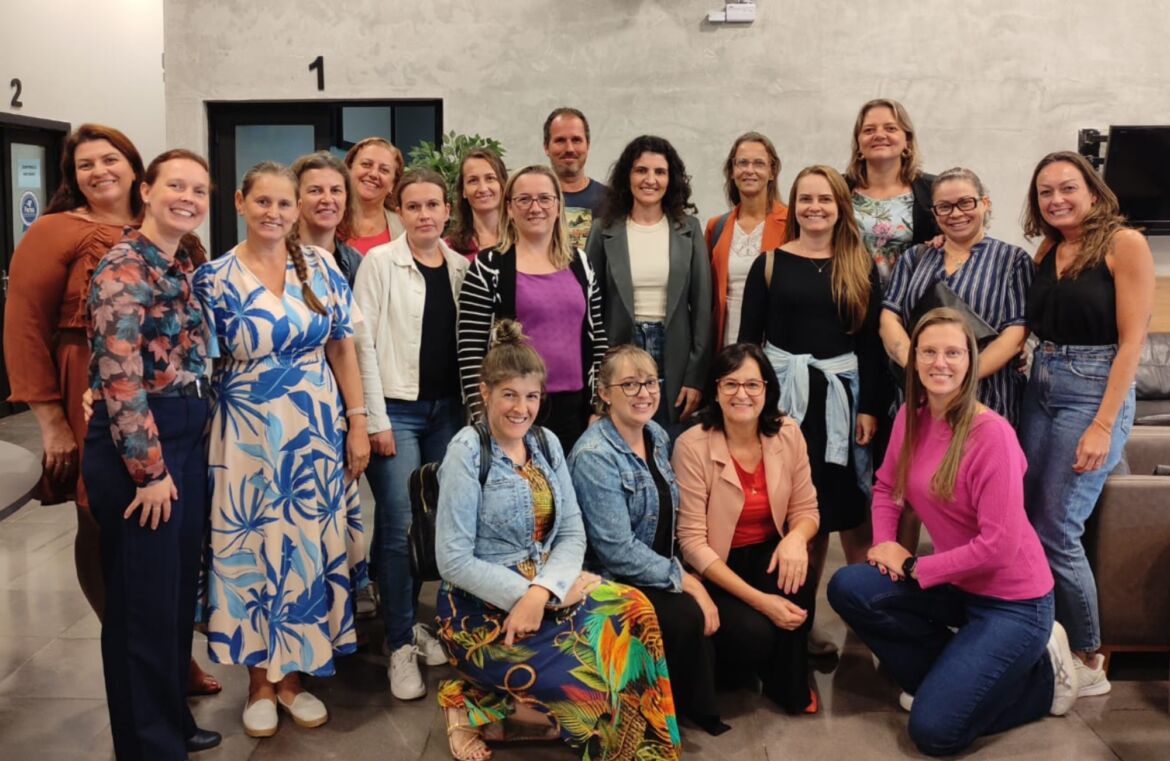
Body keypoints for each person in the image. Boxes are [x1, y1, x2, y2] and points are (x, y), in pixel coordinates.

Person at [4, 124, 222, 697]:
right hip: (98, 384)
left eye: (110, 159)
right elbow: (24, 326)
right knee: (108, 524)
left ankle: (167, 663)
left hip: (166, 394)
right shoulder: (59, 233)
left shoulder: (176, 237)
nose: (99, 171)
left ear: (135, 171)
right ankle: (139, 658)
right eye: (85, 164)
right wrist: (52, 420)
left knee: (166, 544)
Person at [828, 308, 1079, 756]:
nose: (939, 362)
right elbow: (886, 487)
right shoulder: (912, 416)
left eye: (953, 353)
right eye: (928, 352)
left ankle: (1043, 679)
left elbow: (999, 548)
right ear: (914, 359)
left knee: (934, 731)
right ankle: (954, 677)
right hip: (958, 586)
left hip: (1014, 604)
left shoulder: (993, 436)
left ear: (970, 361)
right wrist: (884, 544)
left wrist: (912, 565)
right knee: (850, 586)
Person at [435, 320, 681, 761]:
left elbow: (570, 531)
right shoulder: (466, 451)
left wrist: (545, 590)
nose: (521, 408)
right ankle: (466, 702)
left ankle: (640, 749)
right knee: (589, 680)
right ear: (485, 392)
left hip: (549, 586)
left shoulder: (546, 443)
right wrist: (528, 596)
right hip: (480, 607)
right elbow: (453, 560)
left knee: (635, 609)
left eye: (531, 396)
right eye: (509, 395)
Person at [195, 161, 371, 737]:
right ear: (240, 202)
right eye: (263, 202)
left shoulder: (320, 265)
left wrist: (357, 423)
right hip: (244, 435)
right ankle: (258, 683)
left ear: (296, 211)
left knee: (306, 545)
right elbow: (193, 363)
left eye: (284, 203)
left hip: (315, 429)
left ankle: (293, 678)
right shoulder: (214, 278)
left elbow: (342, 347)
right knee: (252, 547)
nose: (274, 213)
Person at [83, 148, 221, 759]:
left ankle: (172, 721)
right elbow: (119, 377)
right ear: (146, 190)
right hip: (142, 451)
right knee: (141, 606)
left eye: (198, 190)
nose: (188, 198)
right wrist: (149, 472)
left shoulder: (182, 260)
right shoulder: (123, 264)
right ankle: (147, 745)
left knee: (172, 598)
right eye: (176, 186)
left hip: (185, 438)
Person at [1020, 151, 1154, 697]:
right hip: (1041, 383)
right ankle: (1044, 637)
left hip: (1093, 388)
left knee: (1058, 527)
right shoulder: (1047, 248)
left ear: (1093, 193)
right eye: (1045, 191)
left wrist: (1103, 425)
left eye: (1067, 188)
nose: (1056, 199)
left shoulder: (1125, 244)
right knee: (1030, 518)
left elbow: (1132, 343)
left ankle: (1088, 655)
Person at [737, 165, 883, 637]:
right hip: (787, 406)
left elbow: (871, 345)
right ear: (793, 206)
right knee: (803, 512)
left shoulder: (860, 265)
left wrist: (869, 408)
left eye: (825, 199)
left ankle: (868, 621)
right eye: (805, 199)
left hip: (841, 401)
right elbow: (748, 344)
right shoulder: (770, 264)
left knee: (851, 509)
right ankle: (804, 623)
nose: (814, 207)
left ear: (841, 207)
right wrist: (753, 408)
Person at [568, 345, 727, 735]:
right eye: (630, 384)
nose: (644, 393)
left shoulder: (655, 434)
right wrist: (684, 579)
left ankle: (685, 691)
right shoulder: (594, 455)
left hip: (657, 566)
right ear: (604, 393)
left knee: (733, 622)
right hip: (612, 579)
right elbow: (617, 551)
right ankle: (670, 713)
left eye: (651, 382)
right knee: (688, 614)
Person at [353, 168, 469, 700]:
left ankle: (425, 625)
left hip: (448, 412)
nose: (424, 215)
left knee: (440, 522)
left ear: (447, 211)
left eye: (433, 205)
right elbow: (363, 344)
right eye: (414, 206)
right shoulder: (380, 263)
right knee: (400, 522)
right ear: (399, 211)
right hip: (396, 411)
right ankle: (399, 642)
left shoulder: (462, 268)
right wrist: (375, 419)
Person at [672, 342, 820, 713]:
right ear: (715, 390)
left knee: (797, 579)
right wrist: (762, 602)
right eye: (731, 384)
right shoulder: (691, 445)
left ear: (767, 388)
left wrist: (796, 539)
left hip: (767, 549)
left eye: (753, 384)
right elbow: (692, 543)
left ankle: (788, 684)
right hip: (716, 564)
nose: (742, 394)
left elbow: (807, 509)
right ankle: (740, 666)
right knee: (753, 634)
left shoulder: (788, 433)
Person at [457, 165, 605, 452]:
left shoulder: (581, 264)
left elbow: (597, 338)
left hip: (575, 409)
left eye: (544, 199)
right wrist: (481, 413)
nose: (535, 208)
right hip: (513, 410)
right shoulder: (489, 266)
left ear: (558, 206)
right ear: (509, 208)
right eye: (524, 199)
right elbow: (470, 351)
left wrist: (599, 407)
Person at [880, 168, 1034, 425]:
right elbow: (889, 319)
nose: (956, 213)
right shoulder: (915, 258)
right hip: (919, 401)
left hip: (986, 400)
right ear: (934, 212)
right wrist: (921, 370)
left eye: (965, 202)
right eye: (945, 207)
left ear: (985, 203)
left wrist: (961, 377)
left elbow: (1016, 334)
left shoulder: (1012, 261)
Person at [586, 134, 712, 433]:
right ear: (627, 176)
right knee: (624, 436)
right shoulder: (603, 230)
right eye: (641, 170)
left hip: (674, 351)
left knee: (671, 439)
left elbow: (703, 307)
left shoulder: (689, 229)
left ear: (671, 179)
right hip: (620, 347)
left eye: (660, 172)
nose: (650, 180)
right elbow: (590, 307)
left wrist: (695, 378)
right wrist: (598, 373)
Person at [705, 131, 789, 349]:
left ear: (772, 171)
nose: (749, 170)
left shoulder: (792, 225)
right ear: (732, 171)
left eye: (759, 163)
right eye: (742, 163)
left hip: (775, 348)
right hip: (726, 346)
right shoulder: (716, 227)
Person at [844, 98, 940, 286]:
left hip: (911, 298)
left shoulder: (934, 189)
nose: (879, 135)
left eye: (890, 128)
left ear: (907, 141)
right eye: (869, 130)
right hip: (849, 297)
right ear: (858, 143)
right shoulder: (837, 188)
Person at [291, 151, 364, 288]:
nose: (328, 199)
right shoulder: (272, 256)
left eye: (336, 190)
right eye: (315, 190)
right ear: (295, 198)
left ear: (346, 199)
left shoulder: (358, 264)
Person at [543, 107, 606, 248]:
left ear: (587, 145)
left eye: (576, 140)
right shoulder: (530, 202)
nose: (569, 149)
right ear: (546, 147)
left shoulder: (611, 201)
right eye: (560, 140)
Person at [343, 136, 406, 254]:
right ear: (348, 169)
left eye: (384, 170)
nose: (373, 174)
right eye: (366, 164)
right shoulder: (326, 218)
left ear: (393, 184)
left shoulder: (404, 227)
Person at [445, 147, 507, 259]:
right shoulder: (449, 249)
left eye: (490, 178)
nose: (483, 188)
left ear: (503, 185)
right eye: (473, 180)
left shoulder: (524, 239)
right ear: (463, 191)